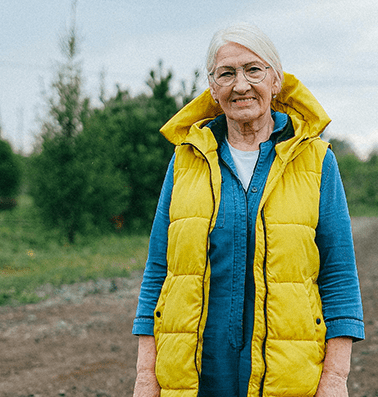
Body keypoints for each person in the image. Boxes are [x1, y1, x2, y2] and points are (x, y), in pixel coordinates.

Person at [132, 22, 364, 397]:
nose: (241, 85)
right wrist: (146, 375)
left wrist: (335, 379)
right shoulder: (185, 160)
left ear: (276, 81)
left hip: (286, 377)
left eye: (253, 70)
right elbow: (160, 270)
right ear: (213, 88)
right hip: (196, 375)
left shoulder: (317, 160)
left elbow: (338, 276)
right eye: (226, 74)